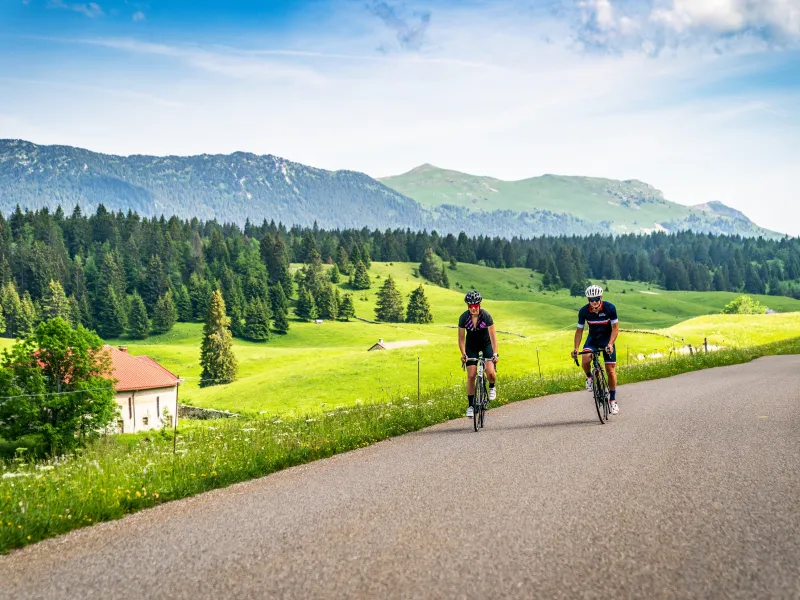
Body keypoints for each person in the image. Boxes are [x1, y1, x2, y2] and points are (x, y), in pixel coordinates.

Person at [571, 284, 620, 415]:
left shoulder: (610, 308)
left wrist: (610, 344)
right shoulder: (583, 311)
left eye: (596, 299)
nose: (594, 302)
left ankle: (613, 400)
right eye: (591, 300)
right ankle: (589, 377)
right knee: (585, 358)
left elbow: (615, 329)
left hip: (607, 340)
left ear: (601, 298)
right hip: (593, 339)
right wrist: (575, 348)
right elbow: (579, 331)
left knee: (610, 370)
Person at [458, 290, 499, 418]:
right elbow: (461, 339)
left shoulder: (486, 316)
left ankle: (492, 386)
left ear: (479, 305)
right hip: (471, 346)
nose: (473, 308)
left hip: (486, 344)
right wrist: (464, 354)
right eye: (471, 306)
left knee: (490, 371)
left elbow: (493, 336)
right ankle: (471, 406)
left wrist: (495, 353)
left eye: (475, 305)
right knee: (471, 375)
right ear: (468, 306)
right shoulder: (464, 318)